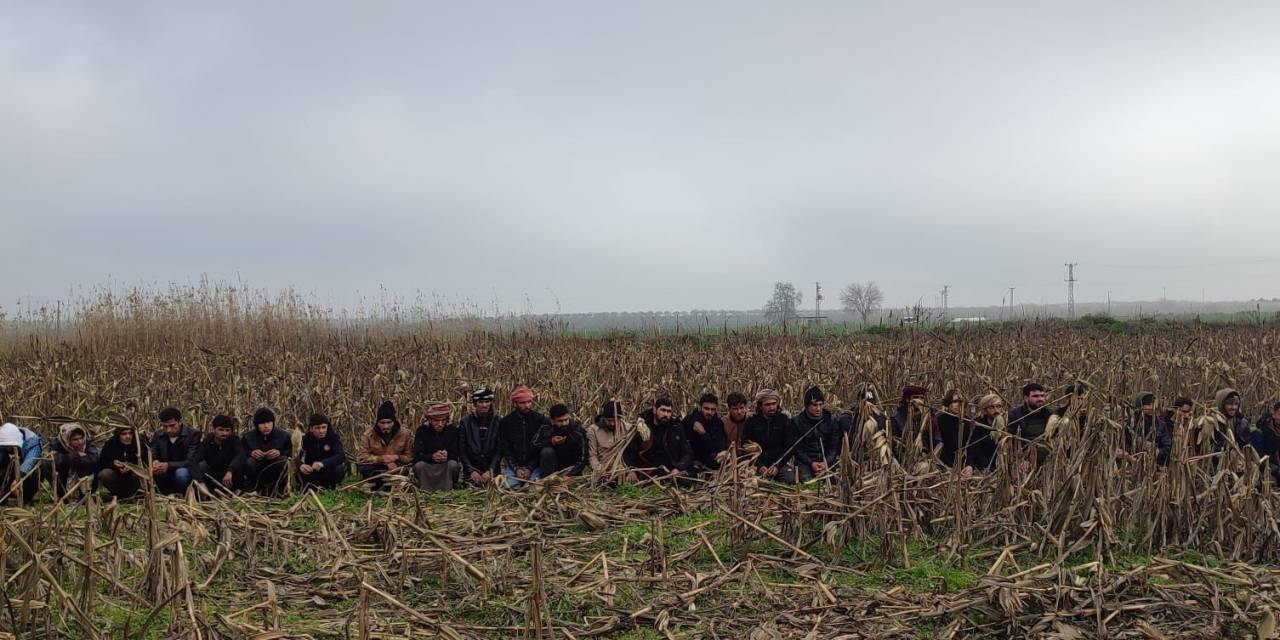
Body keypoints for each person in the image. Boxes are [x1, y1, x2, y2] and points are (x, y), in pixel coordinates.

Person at [634, 397, 696, 485]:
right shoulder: (642, 426)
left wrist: (678, 468)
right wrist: (630, 470)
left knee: (687, 478)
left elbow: (688, 452)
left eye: (669, 411)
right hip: (648, 468)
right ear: (654, 410)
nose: (666, 414)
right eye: (663, 410)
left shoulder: (675, 427)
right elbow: (631, 451)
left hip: (670, 466)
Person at [790, 386, 844, 481]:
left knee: (840, 478)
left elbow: (834, 447)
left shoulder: (831, 420)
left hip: (828, 461)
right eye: (814, 405)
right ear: (807, 406)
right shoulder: (797, 422)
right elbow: (797, 449)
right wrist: (811, 463)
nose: (818, 408)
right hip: (806, 462)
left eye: (820, 405)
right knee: (806, 480)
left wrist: (826, 462)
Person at [357, 400, 413, 490]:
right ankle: (383, 485)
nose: (386, 426)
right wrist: (382, 459)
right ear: (377, 423)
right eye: (382, 423)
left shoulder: (405, 434)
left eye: (389, 422)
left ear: (394, 422)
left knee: (406, 470)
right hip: (377, 467)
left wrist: (397, 457)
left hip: (396, 467)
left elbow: (410, 457)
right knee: (367, 470)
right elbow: (362, 457)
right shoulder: (368, 434)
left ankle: (390, 484)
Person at [935, 390, 995, 475]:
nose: (958, 404)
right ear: (948, 403)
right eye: (955, 401)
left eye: (961, 402)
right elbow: (936, 443)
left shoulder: (967, 422)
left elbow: (972, 446)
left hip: (962, 463)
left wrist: (969, 465)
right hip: (942, 463)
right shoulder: (939, 420)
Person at [498, 385, 546, 488]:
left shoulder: (540, 420)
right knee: (510, 488)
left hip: (535, 466)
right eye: (523, 403)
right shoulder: (506, 422)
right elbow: (505, 448)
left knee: (534, 488)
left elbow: (541, 446)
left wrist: (529, 468)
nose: (527, 405)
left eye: (529, 402)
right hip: (514, 467)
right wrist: (516, 468)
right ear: (514, 403)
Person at [744, 389, 795, 482]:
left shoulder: (784, 420)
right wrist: (759, 466)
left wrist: (777, 465)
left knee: (790, 480)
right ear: (760, 406)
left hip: (778, 464)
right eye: (767, 405)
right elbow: (747, 446)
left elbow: (789, 447)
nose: (771, 407)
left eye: (773, 403)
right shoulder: (751, 422)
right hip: (757, 465)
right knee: (750, 482)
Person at [241, 408, 292, 496]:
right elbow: (241, 453)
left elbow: (292, 453)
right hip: (257, 470)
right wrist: (251, 453)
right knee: (249, 462)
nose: (266, 426)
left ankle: (278, 490)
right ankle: (254, 489)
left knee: (283, 460)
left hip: (275, 469)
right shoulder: (248, 437)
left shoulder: (284, 436)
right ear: (256, 425)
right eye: (262, 423)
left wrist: (279, 453)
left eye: (269, 422)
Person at [151, 407, 200, 495]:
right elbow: (154, 453)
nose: (168, 430)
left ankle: (184, 494)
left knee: (181, 474)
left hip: (184, 468)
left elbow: (191, 460)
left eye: (172, 425)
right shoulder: (158, 435)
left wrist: (168, 465)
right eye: (165, 426)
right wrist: (155, 462)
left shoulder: (193, 434)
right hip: (164, 469)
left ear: (180, 422)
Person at [586, 400, 639, 484]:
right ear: (603, 417)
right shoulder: (593, 430)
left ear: (620, 418)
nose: (612, 423)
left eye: (615, 420)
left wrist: (631, 470)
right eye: (609, 420)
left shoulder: (628, 429)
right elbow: (592, 456)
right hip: (603, 469)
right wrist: (601, 471)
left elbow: (632, 454)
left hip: (623, 468)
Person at [413, 403, 461, 492]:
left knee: (453, 465)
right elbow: (417, 455)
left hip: (445, 464)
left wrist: (447, 455)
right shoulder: (422, 431)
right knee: (419, 466)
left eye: (443, 421)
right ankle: (426, 490)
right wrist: (432, 457)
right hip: (428, 464)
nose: (440, 424)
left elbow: (457, 453)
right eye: (436, 421)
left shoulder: (453, 431)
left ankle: (447, 489)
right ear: (430, 420)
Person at [460, 388, 502, 487]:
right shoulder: (465, 422)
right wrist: (471, 471)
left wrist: (490, 470)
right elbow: (462, 449)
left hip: (492, 471)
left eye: (487, 402)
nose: (484, 405)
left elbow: (500, 449)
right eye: (481, 402)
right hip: (472, 471)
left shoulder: (499, 421)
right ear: (475, 404)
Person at [193, 415, 245, 494]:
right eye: (221, 430)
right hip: (213, 476)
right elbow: (195, 460)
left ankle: (238, 490)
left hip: (230, 477)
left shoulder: (234, 440)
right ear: (213, 429)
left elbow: (240, 456)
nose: (224, 433)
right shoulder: (207, 442)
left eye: (227, 430)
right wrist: (200, 482)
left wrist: (230, 471)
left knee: (240, 464)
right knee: (201, 465)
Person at [45, 422, 99, 499]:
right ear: (67, 439)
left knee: (88, 465)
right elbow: (51, 461)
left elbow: (94, 458)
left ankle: (84, 495)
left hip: (83, 479)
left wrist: (77, 460)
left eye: (81, 438)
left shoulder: (88, 442)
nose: (80, 442)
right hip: (64, 479)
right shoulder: (58, 444)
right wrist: (72, 456)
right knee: (49, 468)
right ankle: (64, 495)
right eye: (75, 440)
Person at [532, 404, 587, 478]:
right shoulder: (545, 429)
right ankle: (548, 479)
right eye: (560, 421)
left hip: (571, 469)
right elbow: (533, 446)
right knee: (547, 451)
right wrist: (551, 442)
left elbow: (583, 458)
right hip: (553, 467)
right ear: (552, 421)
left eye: (566, 420)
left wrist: (571, 472)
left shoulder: (578, 431)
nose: (564, 423)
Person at [888, 385, 938, 464]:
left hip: (926, 461)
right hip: (904, 462)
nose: (920, 401)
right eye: (916, 397)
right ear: (908, 399)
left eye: (922, 398)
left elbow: (936, 439)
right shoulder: (896, 419)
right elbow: (893, 444)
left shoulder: (929, 418)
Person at [96, 426, 148, 500]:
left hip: (134, 476)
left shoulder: (140, 444)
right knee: (104, 474)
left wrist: (132, 467)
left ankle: (137, 494)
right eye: (124, 434)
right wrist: (114, 465)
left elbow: (146, 461)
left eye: (130, 433)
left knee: (140, 473)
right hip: (117, 475)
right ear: (118, 435)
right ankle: (120, 495)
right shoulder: (110, 445)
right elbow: (102, 464)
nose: (128, 436)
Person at [297, 413, 345, 490]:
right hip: (311, 471)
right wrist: (301, 465)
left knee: (338, 469)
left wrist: (323, 463)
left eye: (324, 427)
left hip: (327, 470)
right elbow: (295, 456)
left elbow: (340, 456)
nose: (321, 431)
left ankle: (331, 487)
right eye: (318, 428)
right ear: (311, 428)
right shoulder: (305, 439)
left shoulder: (333, 438)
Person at [0, 421, 44, 505]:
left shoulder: (33, 441)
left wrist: (18, 479)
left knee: (39, 469)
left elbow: (29, 462)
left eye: (11, 447)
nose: (10, 450)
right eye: (7, 447)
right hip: (9, 470)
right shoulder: (3, 436)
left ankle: (24, 498)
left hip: (25, 475)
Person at [682, 393, 726, 471]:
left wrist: (703, 434)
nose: (709, 412)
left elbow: (716, 447)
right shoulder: (688, 421)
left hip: (709, 459)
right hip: (691, 459)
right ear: (700, 407)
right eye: (706, 408)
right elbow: (682, 444)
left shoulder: (718, 423)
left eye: (713, 410)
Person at [1253, 402, 1280, 483]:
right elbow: (1259, 459)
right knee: (1271, 482)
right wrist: (1277, 470)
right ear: (1273, 415)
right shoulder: (1260, 433)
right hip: (1268, 471)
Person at [721, 392, 750, 457]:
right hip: (729, 458)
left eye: (741, 408)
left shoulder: (751, 420)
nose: (739, 412)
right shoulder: (723, 422)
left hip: (748, 458)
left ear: (746, 407)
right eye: (735, 409)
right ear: (729, 409)